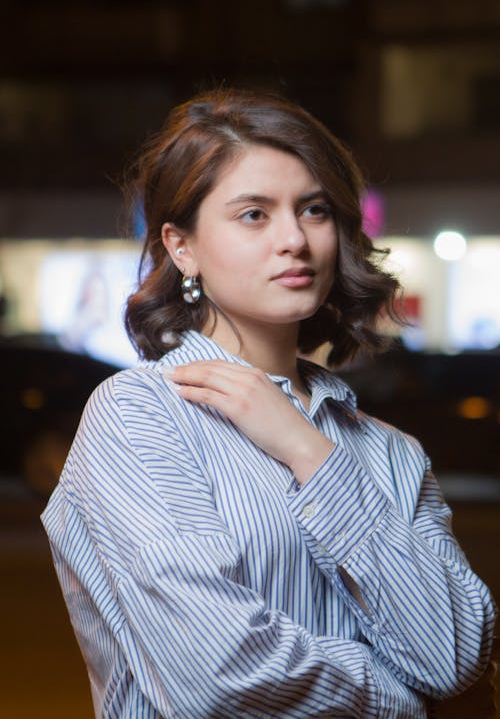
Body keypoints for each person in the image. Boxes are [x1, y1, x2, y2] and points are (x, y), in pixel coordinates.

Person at [42, 88, 496, 718]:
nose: (295, 240)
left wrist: (309, 451)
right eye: (253, 214)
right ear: (182, 246)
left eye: (313, 210)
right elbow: (218, 677)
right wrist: (409, 704)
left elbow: (452, 653)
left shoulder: (392, 452)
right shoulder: (138, 415)